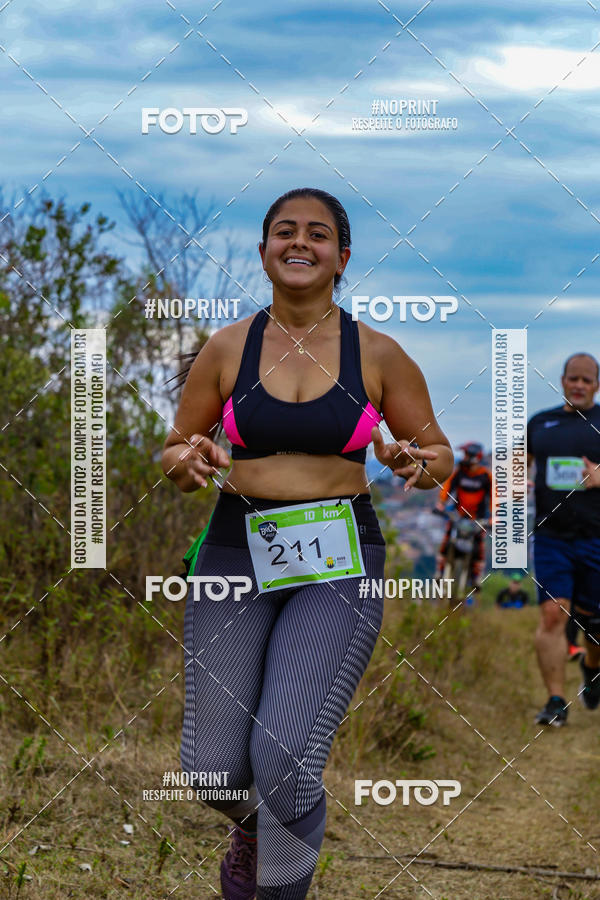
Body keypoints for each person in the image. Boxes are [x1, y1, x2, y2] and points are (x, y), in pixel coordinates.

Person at [161, 187, 454, 900]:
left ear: (342, 257)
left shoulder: (379, 353)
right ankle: (260, 832)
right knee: (210, 770)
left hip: (340, 559)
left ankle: (276, 888)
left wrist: (417, 462)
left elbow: (439, 452)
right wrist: (190, 462)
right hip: (236, 551)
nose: (300, 242)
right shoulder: (229, 347)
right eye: (284, 231)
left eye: (317, 234)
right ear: (263, 252)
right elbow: (175, 448)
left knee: (285, 757)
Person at [528, 352, 600, 727]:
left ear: (596, 385)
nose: (578, 385)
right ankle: (556, 701)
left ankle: (592, 669)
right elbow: (518, 463)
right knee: (554, 613)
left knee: (595, 624)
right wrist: (516, 479)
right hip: (552, 536)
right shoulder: (541, 422)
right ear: (562, 379)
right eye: (573, 378)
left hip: (596, 537)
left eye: (586, 380)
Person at [434, 442, 492, 591]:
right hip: (458, 516)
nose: (464, 457)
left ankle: (476, 576)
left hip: (478, 519)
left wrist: (494, 516)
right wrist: (441, 503)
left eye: (466, 454)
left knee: (479, 546)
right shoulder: (459, 473)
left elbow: (494, 497)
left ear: (475, 457)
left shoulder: (486, 476)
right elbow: (447, 489)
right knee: (447, 540)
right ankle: (440, 572)